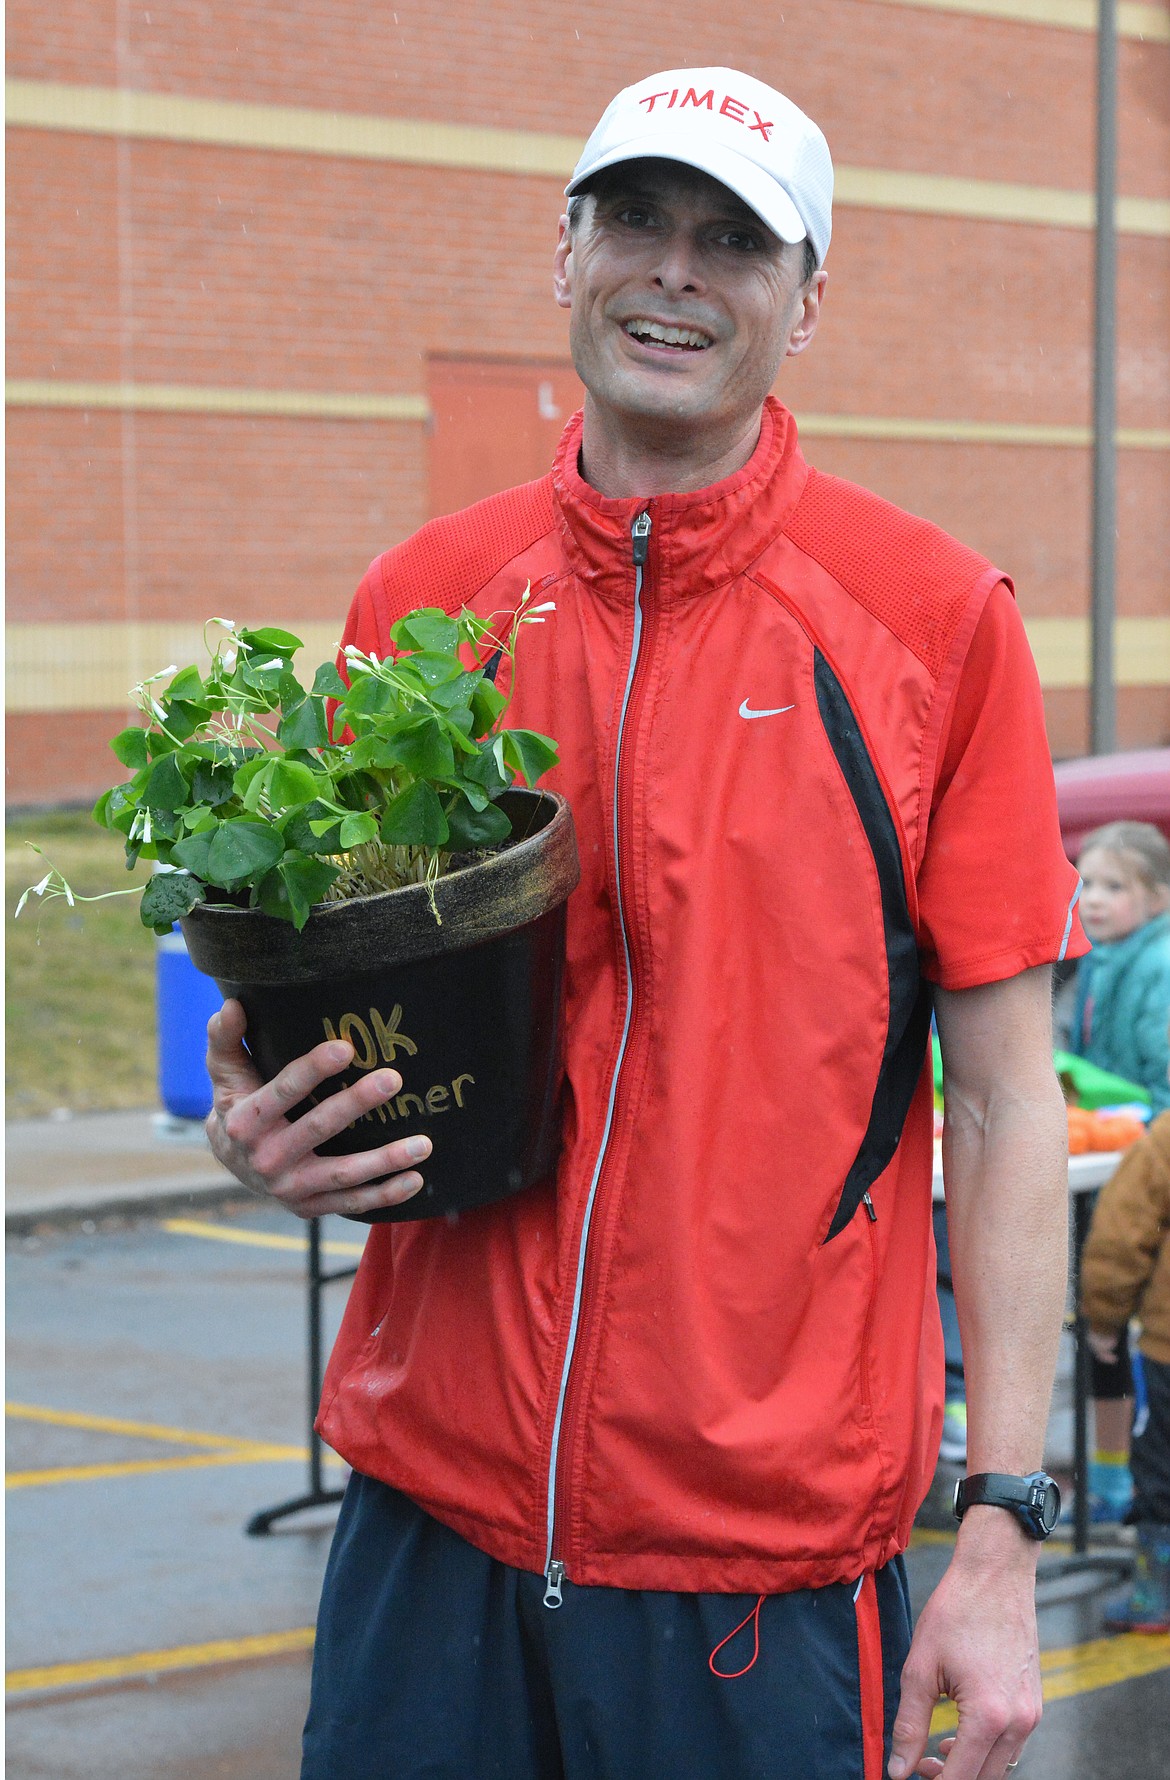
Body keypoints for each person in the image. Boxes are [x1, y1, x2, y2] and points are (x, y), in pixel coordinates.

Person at [206, 67, 1088, 1780]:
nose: (674, 271)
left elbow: (1000, 1099)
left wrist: (1001, 1530)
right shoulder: (424, 602)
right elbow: (350, 1006)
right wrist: (270, 1110)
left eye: (734, 242)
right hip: (431, 1513)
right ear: (566, 252)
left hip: (754, 1568)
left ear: (805, 303)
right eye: (636, 219)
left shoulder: (931, 623)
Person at [1069, 821, 1170, 1523]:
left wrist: (1124, 1117)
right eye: (1086, 884)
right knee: (1097, 1327)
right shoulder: (1096, 960)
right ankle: (1110, 1479)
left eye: (1113, 886)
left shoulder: (1159, 966)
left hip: (1139, 1172)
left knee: (1123, 1327)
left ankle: (1131, 1480)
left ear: (1157, 898)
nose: (1094, 900)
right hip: (1104, 1165)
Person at [1081, 1105, 1170, 1631]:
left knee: (1160, 1471)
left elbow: (1121, 1236)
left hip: (1167, 1349)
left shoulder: (1162, 1140)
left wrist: (1105, 1320)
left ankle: (1157, 1593)